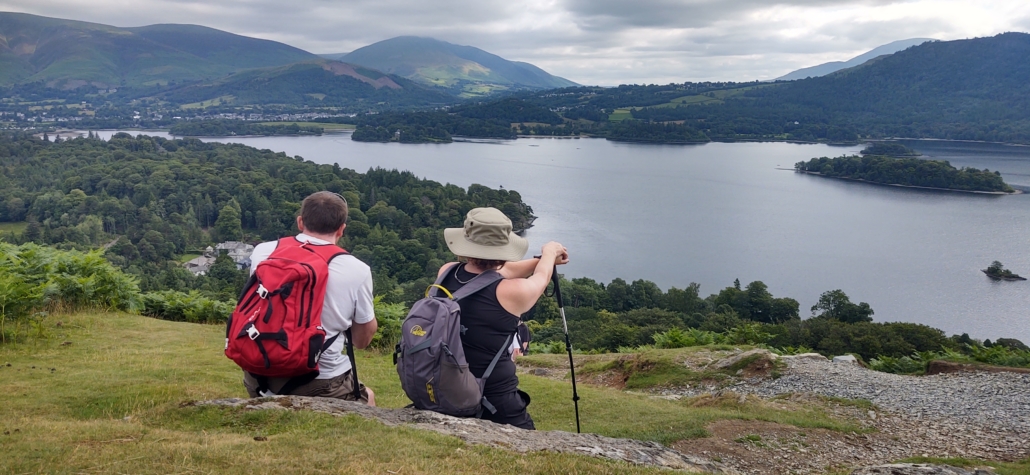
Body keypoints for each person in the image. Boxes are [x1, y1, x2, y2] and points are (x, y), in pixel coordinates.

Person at [242, 191, 378, 405]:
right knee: (367, 396)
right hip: (320, 382)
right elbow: (362, 341)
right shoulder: (356, 270)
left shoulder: (264, 252)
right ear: (341, 229)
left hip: (259, 374)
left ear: (300, 222)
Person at [437, 207, 568, 429]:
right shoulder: (512, 292)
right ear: (504, 247)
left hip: (447, 386)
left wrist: (542, 260)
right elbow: (541, 278)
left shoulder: (447, 272)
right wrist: (549, 253)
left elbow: (493, 274)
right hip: (494, 397)